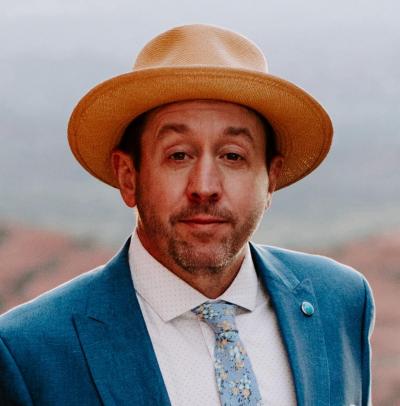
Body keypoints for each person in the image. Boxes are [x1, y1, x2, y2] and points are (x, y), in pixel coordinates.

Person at [0, 24, 374, 406]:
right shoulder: (30, 352)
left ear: (271, 180)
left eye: (233, 155)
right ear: (129, 177)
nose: (205, 186)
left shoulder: (340, 302)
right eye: (178, 155)